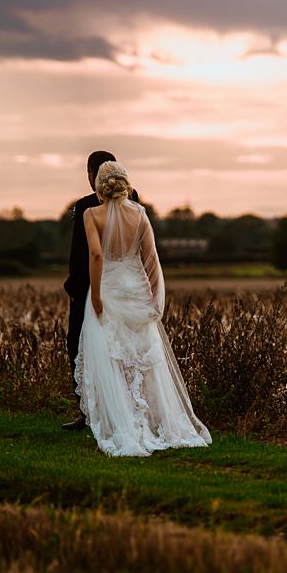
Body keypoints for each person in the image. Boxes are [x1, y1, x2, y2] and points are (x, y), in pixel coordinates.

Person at [74, 160, 212, 456]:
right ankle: (153, 424)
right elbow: (151, 259)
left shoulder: (90, 214)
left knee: (113, 360)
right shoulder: (139, 215)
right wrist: (154, 297)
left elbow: (96, 256)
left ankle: (124, 426)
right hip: (135, 290)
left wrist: (96, 295)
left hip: (108, 289)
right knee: (144, 361)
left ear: (99, 185)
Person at [62, 151, 140, 431]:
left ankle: (88, 410)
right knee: (122, 347)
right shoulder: (133, 200)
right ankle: (122, 407)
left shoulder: (86, 206)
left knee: (79, 346)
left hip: (91, 290)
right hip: (127, 288)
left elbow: (81, 254)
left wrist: (75, 288)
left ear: (93, 174)